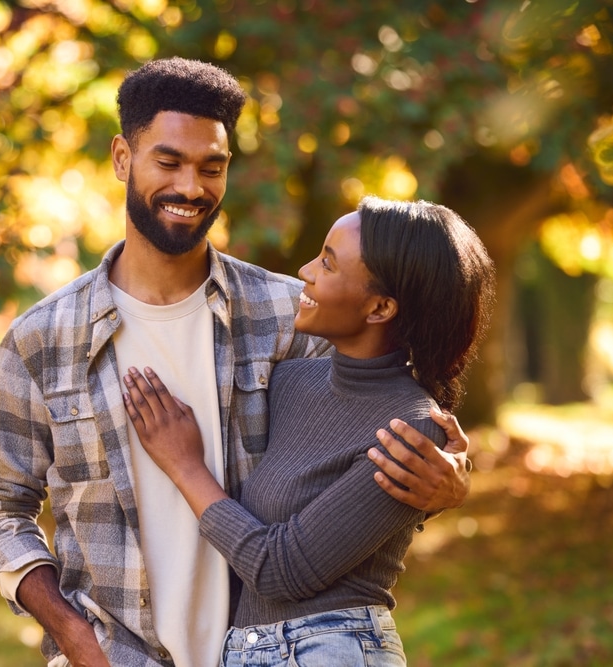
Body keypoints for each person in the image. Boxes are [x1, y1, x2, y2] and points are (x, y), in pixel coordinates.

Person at [0, 58, 472, 667]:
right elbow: (1, 508)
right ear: (123, 158)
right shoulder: (42, 340)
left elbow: (380, 414)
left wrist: (450, 482)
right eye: (169, 162)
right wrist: (76, 640)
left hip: (264, 650)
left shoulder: (292, 316)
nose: (191, 187)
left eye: (212, 167)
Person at [121, 195, 495, 666]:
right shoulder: (293, 380)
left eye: (328, 264)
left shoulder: (411, 427)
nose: (305, 270)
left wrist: (183, 464)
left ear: (380, 307)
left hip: (329, 649)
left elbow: (282, 570)